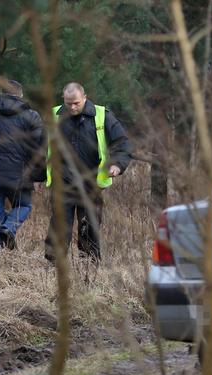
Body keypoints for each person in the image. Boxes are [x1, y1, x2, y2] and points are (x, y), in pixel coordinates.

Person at [44, 82, 132, 262]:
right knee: (60, 224)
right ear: (64, 99)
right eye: (68, 103)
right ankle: (54, 264)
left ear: (85, 97)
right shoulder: (54, 116)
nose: (72, 107)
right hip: (63, 181)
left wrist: (117, 165)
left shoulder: (102, 115)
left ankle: (89, 263)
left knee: (90, 225)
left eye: (76, 102)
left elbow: (122, 143)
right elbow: (40, 147)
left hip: (91, 182)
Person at [0, 80, 47, 250]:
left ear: (3, 93)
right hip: (20, 174)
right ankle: (9, 228)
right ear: (20, 95)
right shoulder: (32, 115)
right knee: (24, 205)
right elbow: (39, 149)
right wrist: (39, 176)